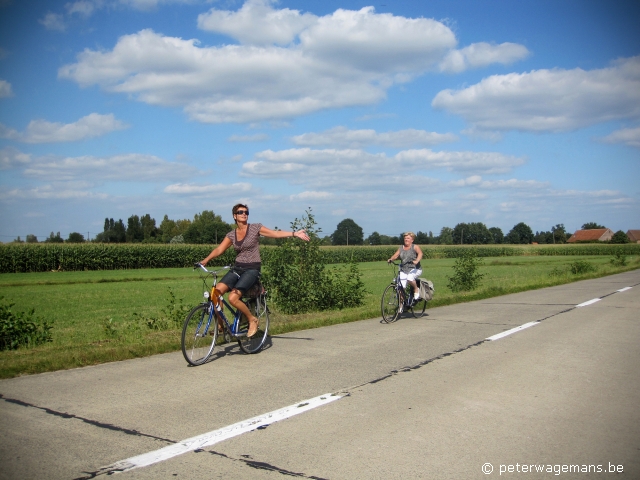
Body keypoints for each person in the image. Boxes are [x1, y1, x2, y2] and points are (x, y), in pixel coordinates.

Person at [200, 204, 310, 337]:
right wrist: (206, 260)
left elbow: (274, 233)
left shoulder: (255, 228)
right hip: (237, 268)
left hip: (252, 269)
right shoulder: (232, 235)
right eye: (240, 212)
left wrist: (294, 233)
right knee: (215, 294)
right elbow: (219, 249)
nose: (244, 214)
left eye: (246, 212)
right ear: (235, 216)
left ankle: (252, 320)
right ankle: (221, 326)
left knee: (233, 298)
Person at [387, 232, 423, 305]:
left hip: (415, 269)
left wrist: (416, 260)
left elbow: (420, 253)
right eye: (405, 238)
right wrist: (391, 259)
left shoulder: (414, 247)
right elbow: (396, 255)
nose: (406, 239)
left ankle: (416, 289)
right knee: (401, 287)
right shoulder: (401, 248)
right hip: (404, 269)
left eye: (408, 238)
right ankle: (401, 306)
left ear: (412, 240)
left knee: (410, 278)